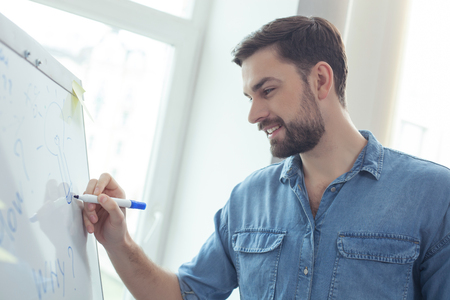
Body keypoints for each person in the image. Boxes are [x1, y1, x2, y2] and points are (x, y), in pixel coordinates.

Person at [83, 15, 450, 299]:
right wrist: (118, 241)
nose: (254, 115)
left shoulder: (433, 195)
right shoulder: (248, 199)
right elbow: (184, 295)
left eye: (268, 90)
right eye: (250, 98)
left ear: (321, 80)